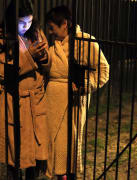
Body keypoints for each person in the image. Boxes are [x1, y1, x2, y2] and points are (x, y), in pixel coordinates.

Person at [45, 6, 110, 179]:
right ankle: (60, 176)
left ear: (64, 24)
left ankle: (69, 175)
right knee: (55, 142)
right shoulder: (55, 46)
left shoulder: (86, 42)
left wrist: (87, 85)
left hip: (73, 102)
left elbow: (103, 69)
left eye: (52, 27)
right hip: (53, 103)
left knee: (70, 143)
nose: (50, 32)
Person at [0, 0, 51, 179]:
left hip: (36, 101)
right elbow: (3, 72)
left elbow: (48, 66)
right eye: (21, 22)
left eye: (30, 21)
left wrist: (43, 57)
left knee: (35, 155)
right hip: (14, 102)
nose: (26, 26)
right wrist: (29, 57)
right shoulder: (1, 39)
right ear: (11, 20)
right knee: (14, 155)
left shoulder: (36, 33)